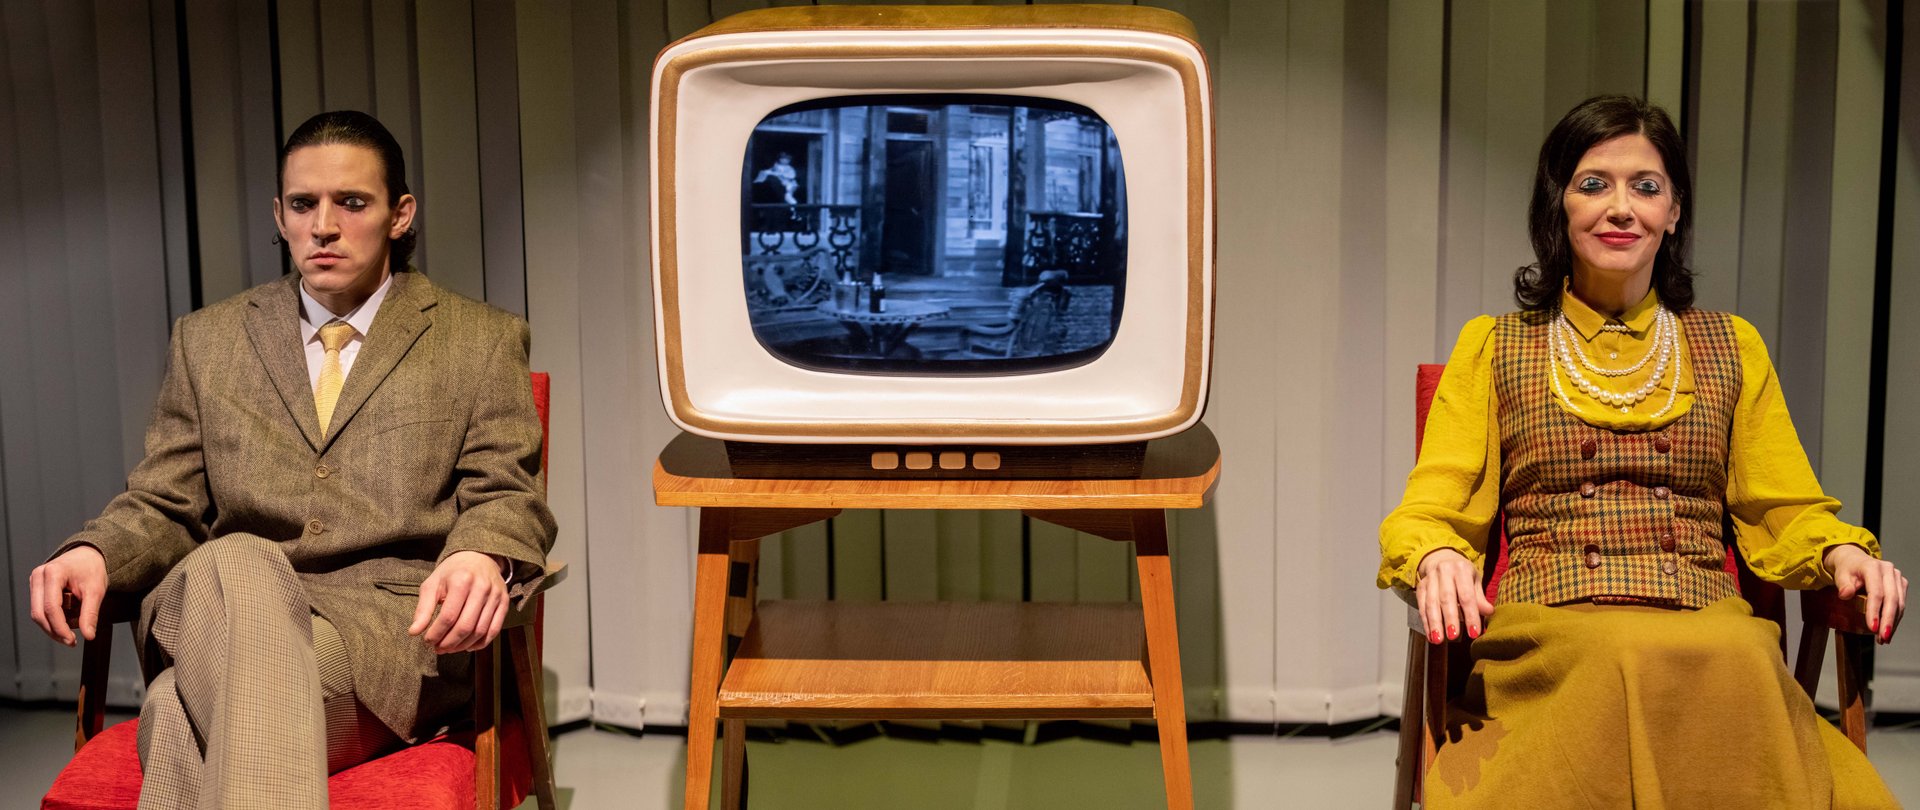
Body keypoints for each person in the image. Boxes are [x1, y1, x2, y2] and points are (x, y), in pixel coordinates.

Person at [1379, 95, 1905, 808]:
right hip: (1555, 634)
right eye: (1594, 184)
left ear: (1674, 211)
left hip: (1707, 630)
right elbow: (1433, 505)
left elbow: (1783, 505)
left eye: (1646, 187)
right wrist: (1437, 553)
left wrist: (1843, 553)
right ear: (1559, 204)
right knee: (1618, 653)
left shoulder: (1733, 345)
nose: (1621, 208)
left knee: (1742, 654)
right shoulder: (1495, 345)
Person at [25, 110, 556, 809]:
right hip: (214, 605)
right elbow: (163, 501)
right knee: (237, 559)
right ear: (279, 215)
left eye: (352, 203)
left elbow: (507, 493)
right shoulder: (208, 340)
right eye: (303, 204)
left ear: (400, 215)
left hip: (380, 641)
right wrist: (96, 550)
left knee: (174, 712)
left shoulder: (479, 340)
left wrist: (482, 553)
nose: (323, 226)